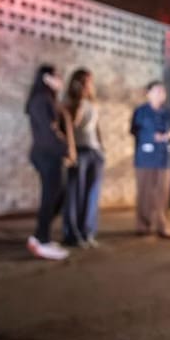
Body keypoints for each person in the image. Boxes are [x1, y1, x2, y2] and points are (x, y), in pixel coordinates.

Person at [24, 64, 74, 260]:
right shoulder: (40, 100)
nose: (61, 80)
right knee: (51, 197)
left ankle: (40, 236)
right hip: (46, 154)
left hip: (52, 154)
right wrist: (65, 150)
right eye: (57, 77)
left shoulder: (50, 100)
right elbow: (49, 131)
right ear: (46, 78)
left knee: (59, 196)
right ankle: (41, 240)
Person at [62, 68, 105, 247]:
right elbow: (70, 127)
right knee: (75, 193)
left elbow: (96, 128)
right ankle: (73, 234)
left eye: (90, 81)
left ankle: (88, 232)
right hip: (79, 151)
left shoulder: (94, 103)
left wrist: (102, 149)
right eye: (86, 81)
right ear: (77, 83)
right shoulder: (69, 103)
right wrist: (78, 105)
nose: (90, 85)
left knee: (92, 194)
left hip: (94, 152)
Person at [130, 81, 170, 238]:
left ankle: (164, 225)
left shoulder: (168, 113)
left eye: (162, 91)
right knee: (145, 192)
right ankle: (143, 225)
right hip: (145, 158)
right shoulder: (140, 112)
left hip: (164, 158)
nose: (160, 93)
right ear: (148, 93)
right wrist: (151, 137)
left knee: (163, 193)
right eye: (156, 91)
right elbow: (134, 131)